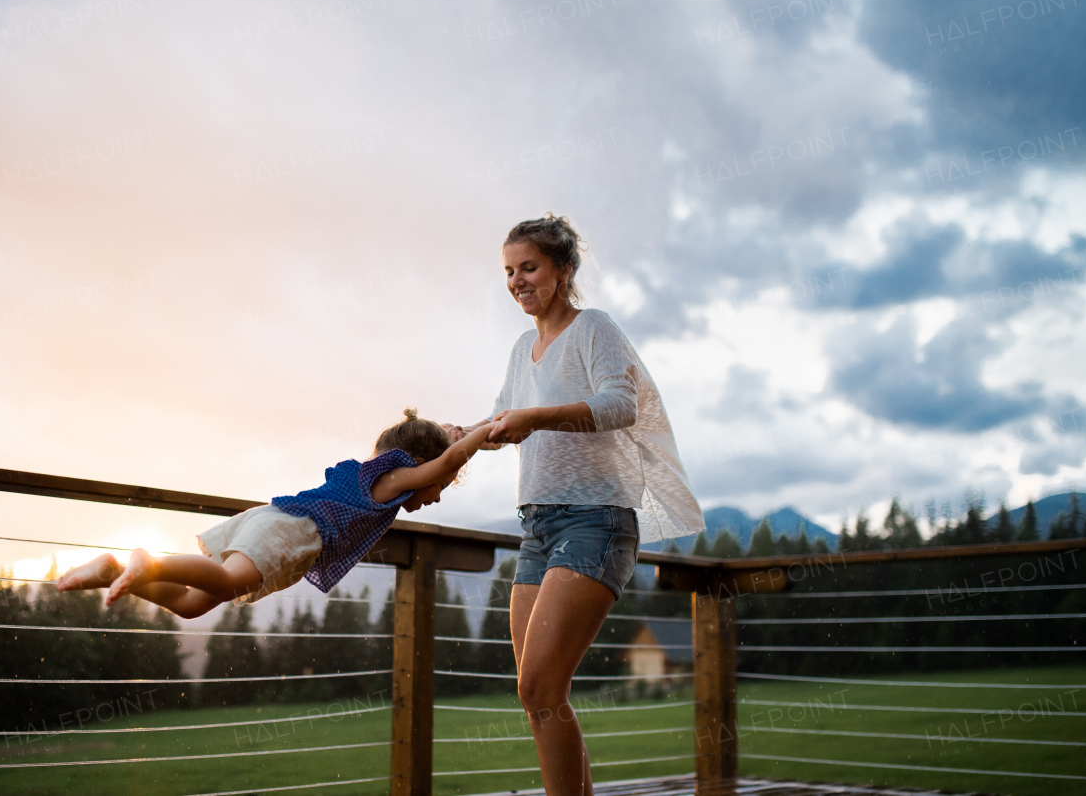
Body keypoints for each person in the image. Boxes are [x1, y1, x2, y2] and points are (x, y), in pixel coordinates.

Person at [445, 214, 704, 796]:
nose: (517, 281)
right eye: (509, 271)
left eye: (529, 267)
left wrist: (534, 418)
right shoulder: (521, 349)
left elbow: (620, 405)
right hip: (536, 527)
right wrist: (457, 433)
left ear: (562, 270)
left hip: (596, 523)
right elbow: (499, 419)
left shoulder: (595, 329)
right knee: (538, 695)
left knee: (540, 686)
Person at [57, 410, 492, 618]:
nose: (437, 495)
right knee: (229, 583)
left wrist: (460, 433)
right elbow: (445, 462)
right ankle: (147, 562)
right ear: (415, 465)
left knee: (192, 605)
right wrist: (488, 431)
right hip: (291, 531)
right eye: (441, 488)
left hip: (272, 520)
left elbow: (443, 459)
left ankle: (111, 569)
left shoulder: (372, 477)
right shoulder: (393, 478)